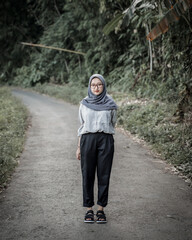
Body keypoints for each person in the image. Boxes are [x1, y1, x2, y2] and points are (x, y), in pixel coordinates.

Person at [76, 74, 117, 224]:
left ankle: (100, 210)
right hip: (87, 139)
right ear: (89, 86)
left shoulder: (111, 103)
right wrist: (79, 147)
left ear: (104, 86)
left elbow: (113, 123)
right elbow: (82, 126)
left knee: (104, 175)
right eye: (93, 85)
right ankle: (88, 209)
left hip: (105, 140)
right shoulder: (84, 104)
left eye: (99, 84)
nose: (96, 87)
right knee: (87, 174)